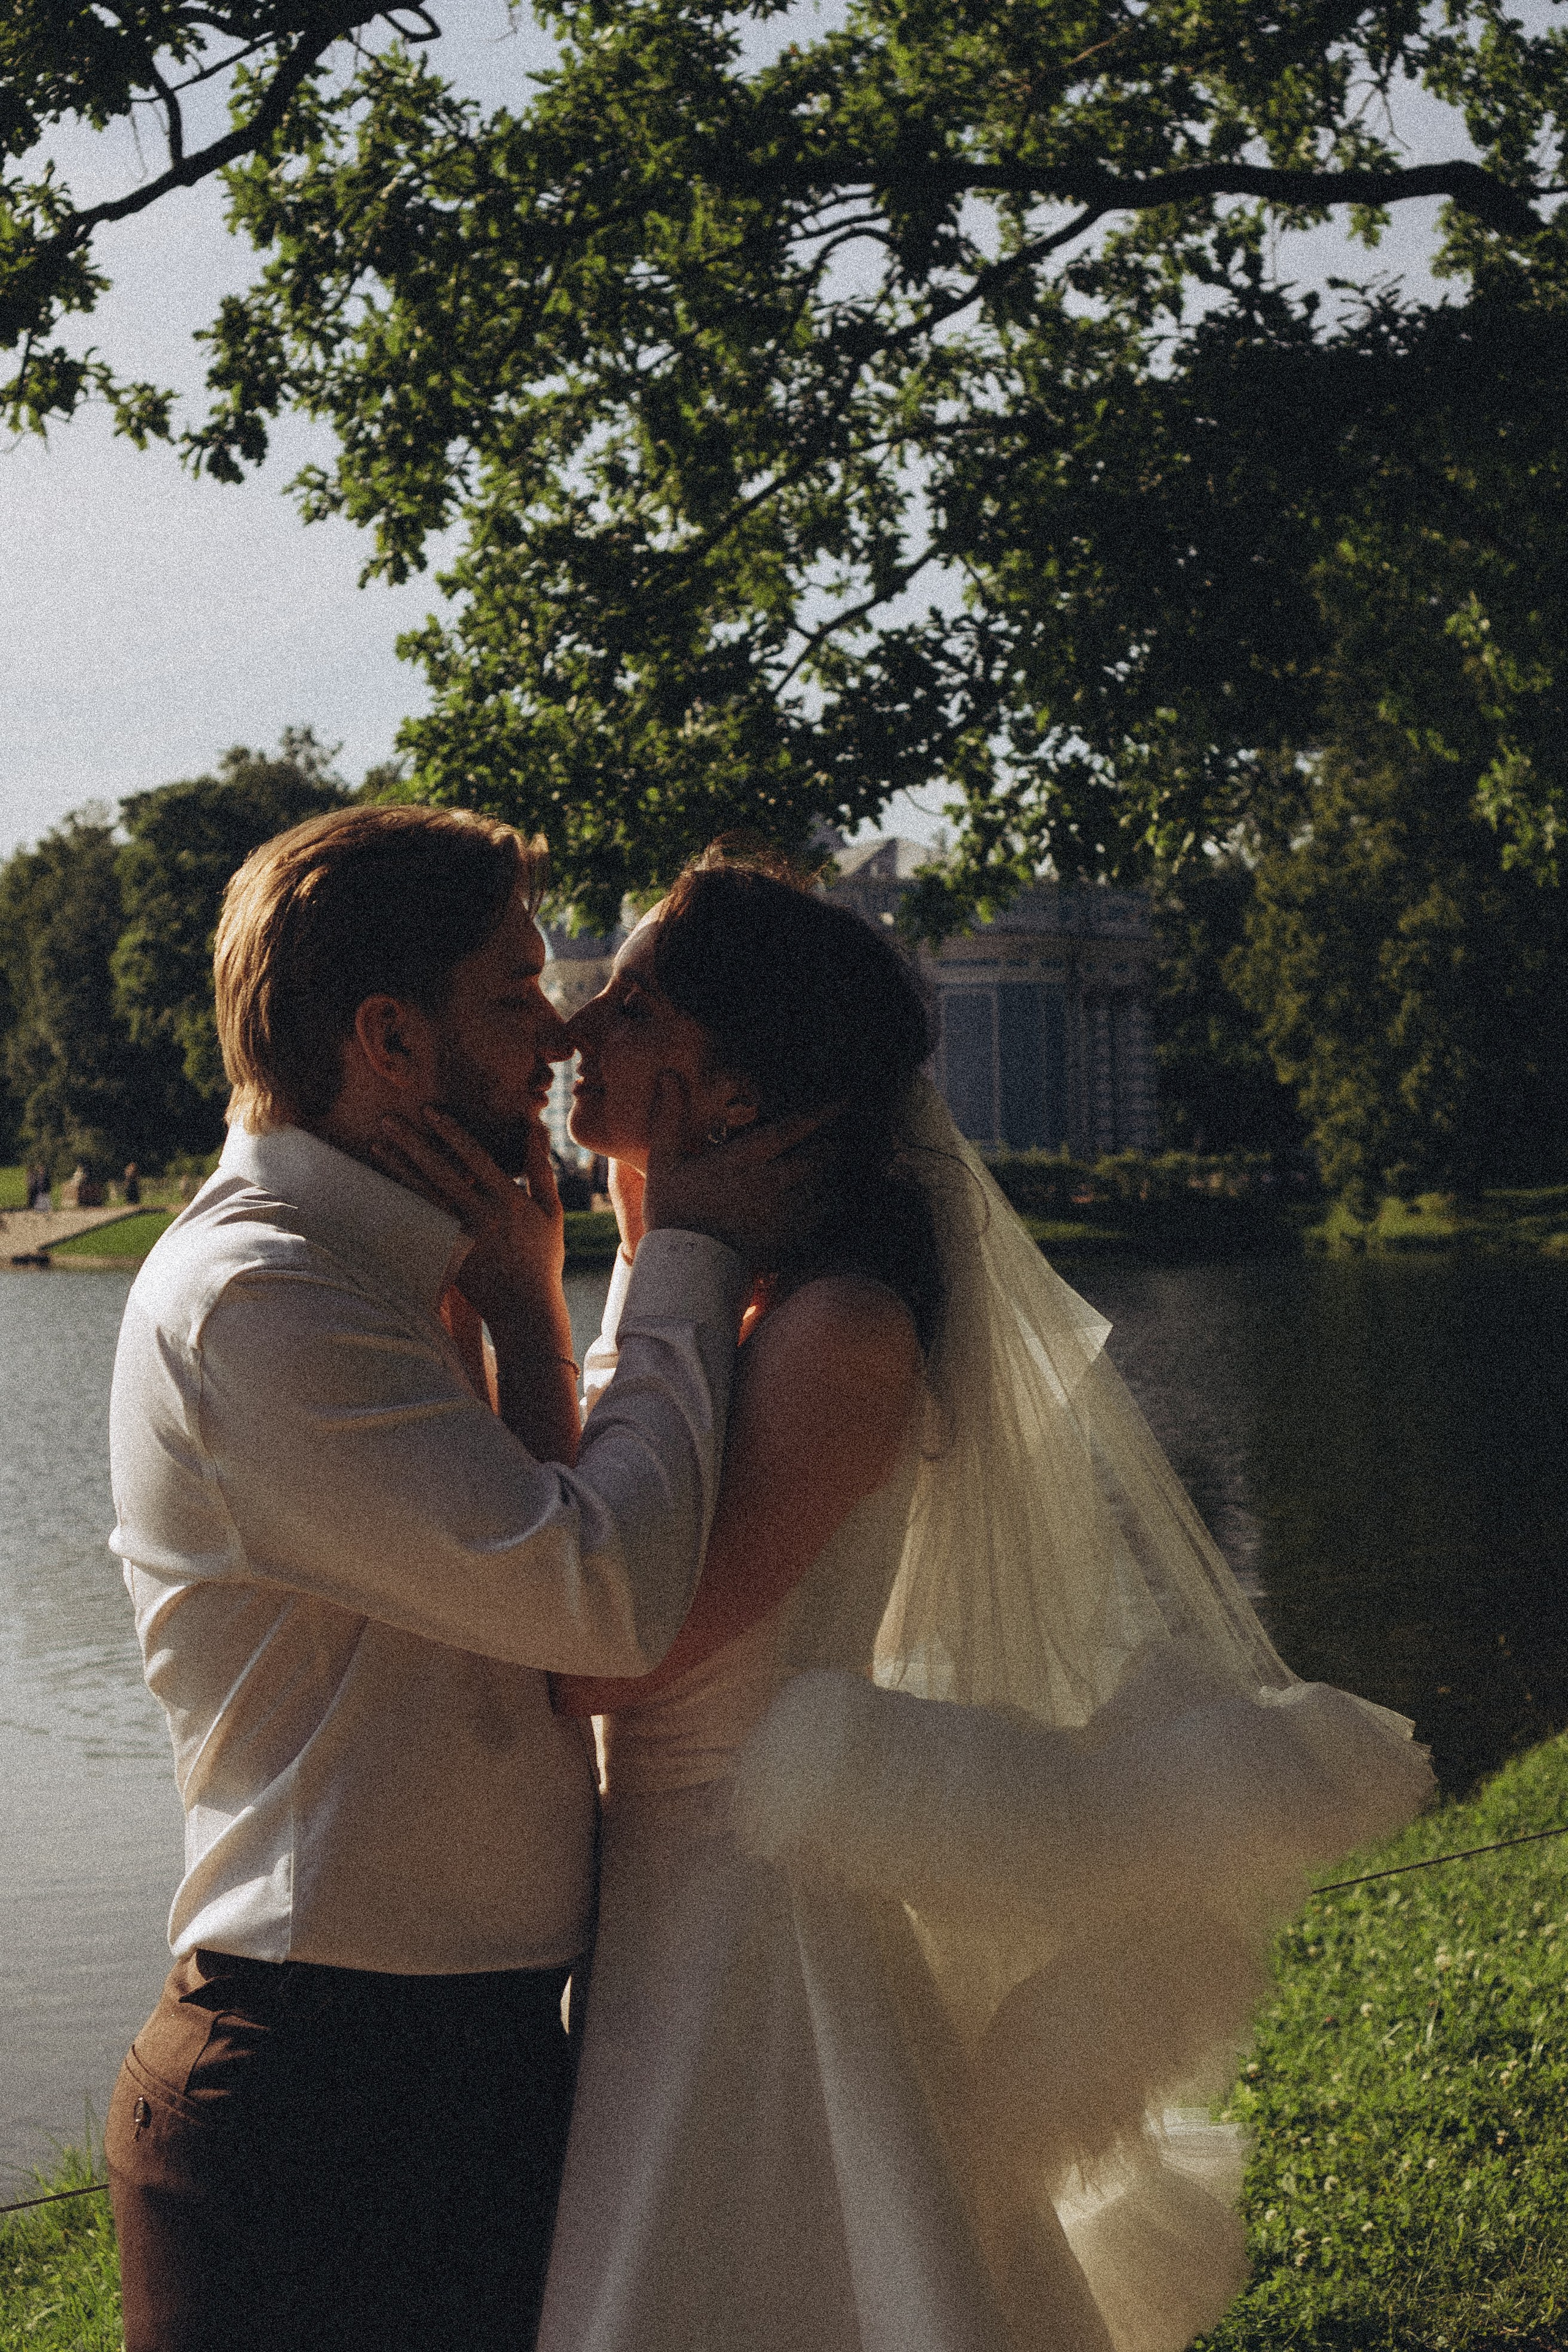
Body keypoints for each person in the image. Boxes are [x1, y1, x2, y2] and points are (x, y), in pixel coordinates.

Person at [405, 843, 1435, 2352]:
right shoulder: (725, 1294)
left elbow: (606, 1660)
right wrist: (624, 1260)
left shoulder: (836, 1332)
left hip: (755, 1934)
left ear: (731, 1085)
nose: (570, 1028)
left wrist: (535, 1309)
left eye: (623, 1003)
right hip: (670, 1906)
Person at [104, 805, 823, 2352]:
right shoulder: (265, 1302)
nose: (561, 1032)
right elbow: (602, 1599)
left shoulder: (395, 1270)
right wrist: (683, 1251)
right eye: (514, 995)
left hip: (463, 2064)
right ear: (389, 1039)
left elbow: (542, 1584)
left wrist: (524, 1312)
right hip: (320, 2103)